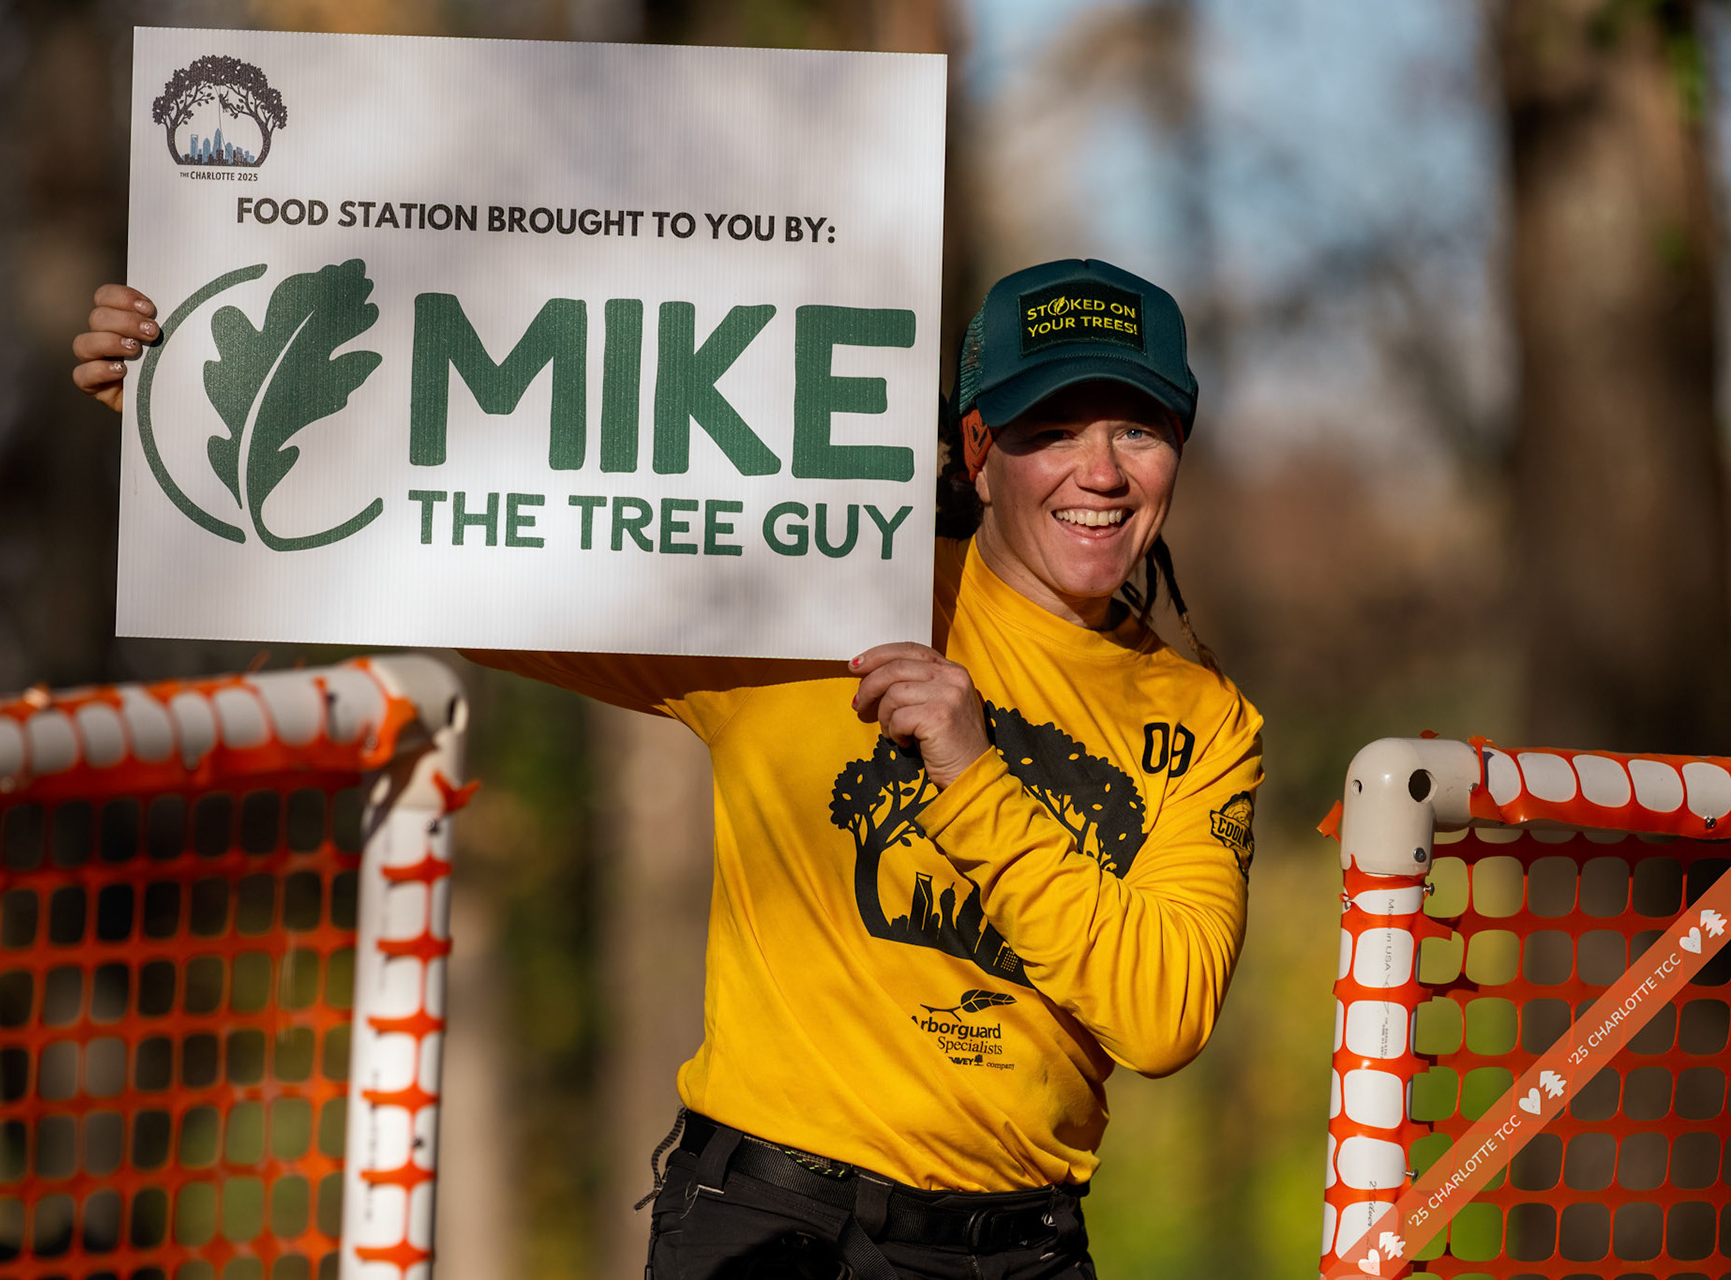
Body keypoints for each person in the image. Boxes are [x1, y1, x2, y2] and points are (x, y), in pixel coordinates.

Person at [74, 258, 1262, 1280]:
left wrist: (973, 770)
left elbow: (1162, 1014)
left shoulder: (1206, 722)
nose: (1099, 471)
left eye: (1137, 427)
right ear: (977, 446)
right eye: (1053, 428)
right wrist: (175, 408)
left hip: (1025, 1245)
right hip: (772, 1225)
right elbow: (443, 557)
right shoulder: (823, 585)